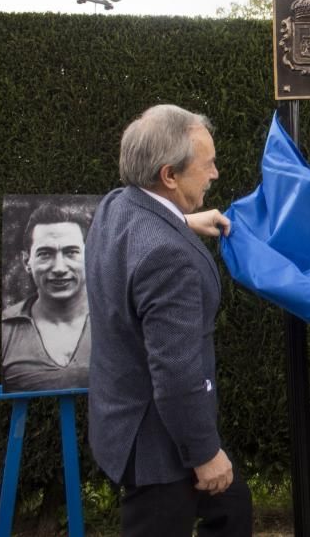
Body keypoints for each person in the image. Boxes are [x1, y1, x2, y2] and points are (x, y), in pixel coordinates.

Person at [86, 104, 249, 536]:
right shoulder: (167, 259)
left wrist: (182, 221)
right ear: (169, 176)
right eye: (208, 164)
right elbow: (175, 374)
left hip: (124, 416)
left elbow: (142, 236)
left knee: (233, 508)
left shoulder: (115, 206)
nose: (215, 173)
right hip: (157, 441)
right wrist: (203, 454)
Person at [1, 203, 92, 392]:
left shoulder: (117, 320)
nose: (59, 268)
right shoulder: (5, 327)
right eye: (45, 254)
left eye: (71, 253)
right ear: (27, 261)